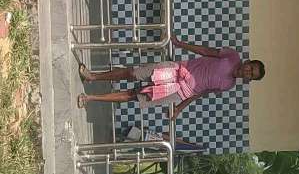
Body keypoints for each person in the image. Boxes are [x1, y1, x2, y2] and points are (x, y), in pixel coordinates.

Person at [77, 35, 265, 119]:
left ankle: (91, 98)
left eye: (252, 75)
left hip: (177, 92)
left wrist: (179, 109)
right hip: (176, 70)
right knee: (133, 73)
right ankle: (92, 76)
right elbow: (205, 51)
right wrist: (180, 44)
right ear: (248, 62)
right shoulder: (232, 56)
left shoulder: (229, 85)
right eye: (251, 68)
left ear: (249, 80)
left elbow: (200, 93)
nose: (248, 72)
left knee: (134, 95)